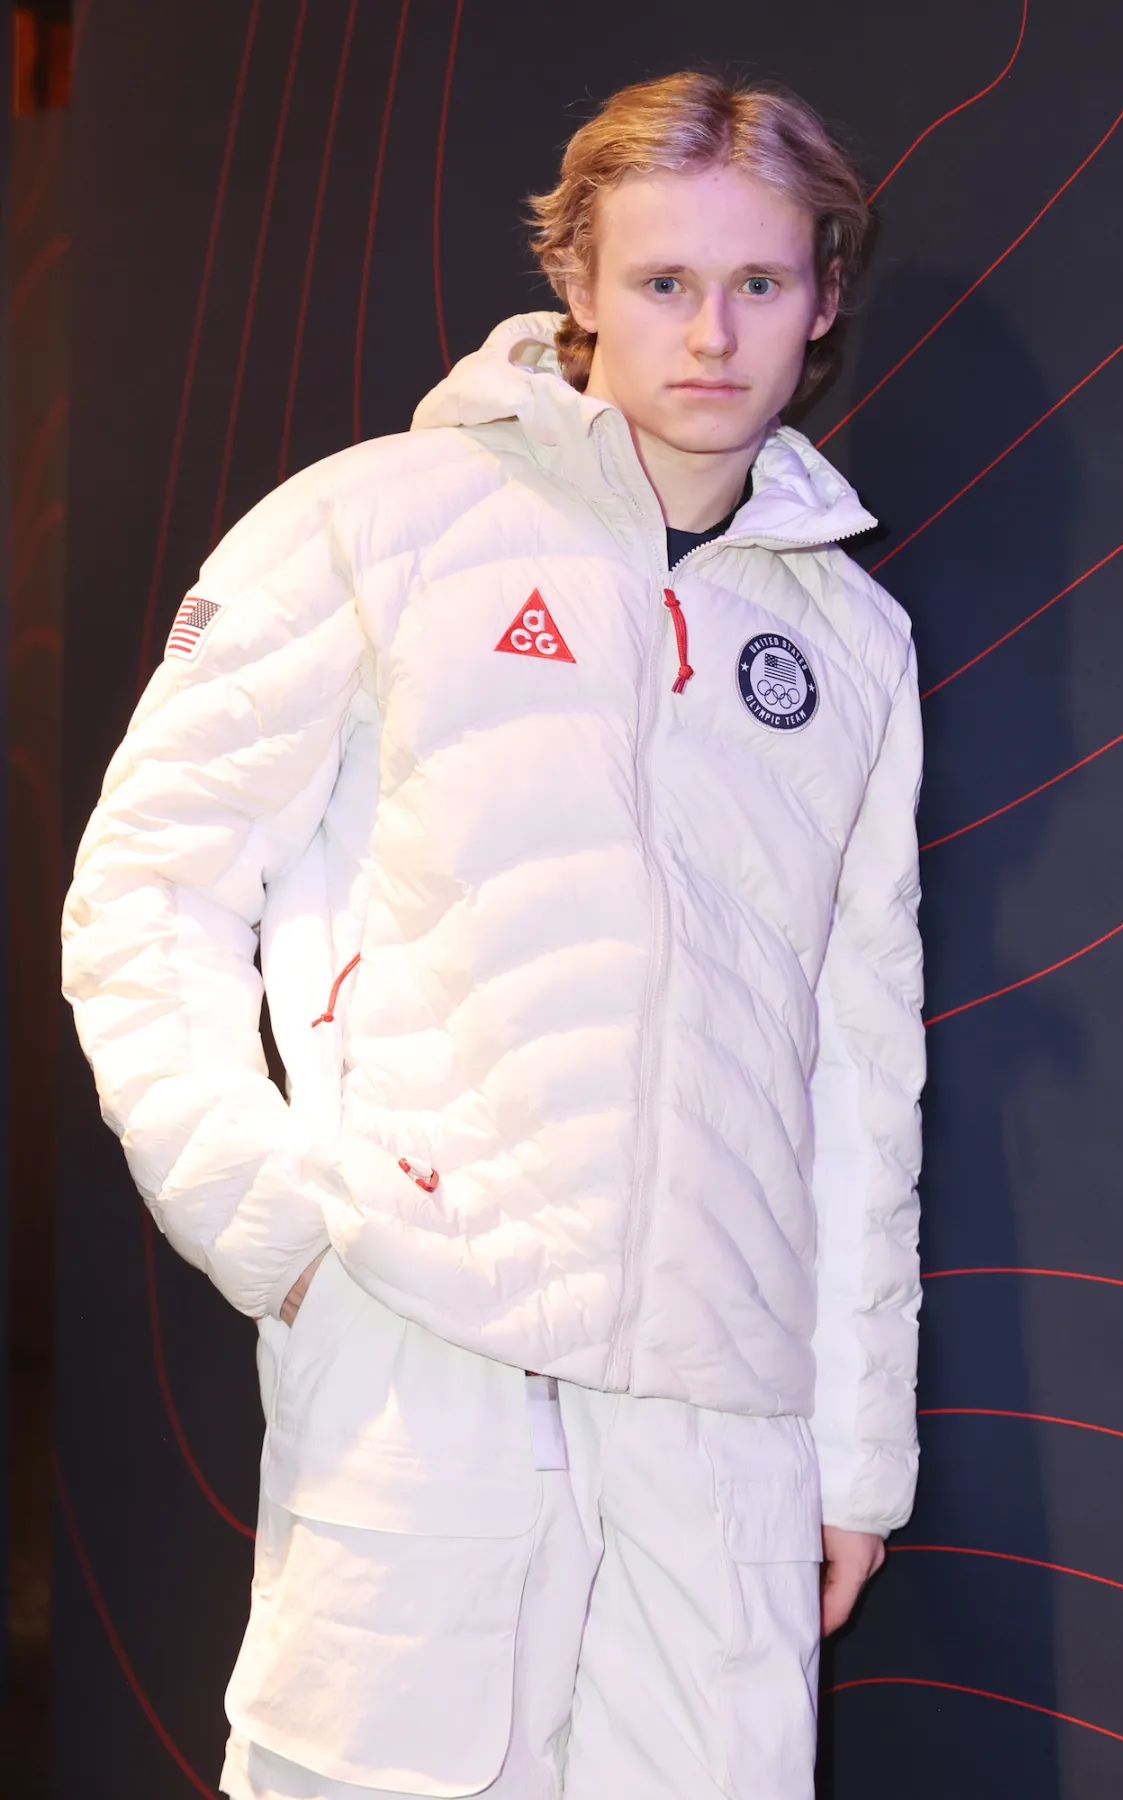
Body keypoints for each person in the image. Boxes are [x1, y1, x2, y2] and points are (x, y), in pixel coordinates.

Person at [62, 70, 924, 1800]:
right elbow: (147, 893)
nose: (712, 334)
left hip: (722, 1429)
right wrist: (285, 1236)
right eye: (665, 281)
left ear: (823, 299)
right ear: (579, 280)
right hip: (427, 1364)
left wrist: (852, 1455)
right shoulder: (374, 520)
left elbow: (859, 1065)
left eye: (759, 282)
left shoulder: (852, 639)